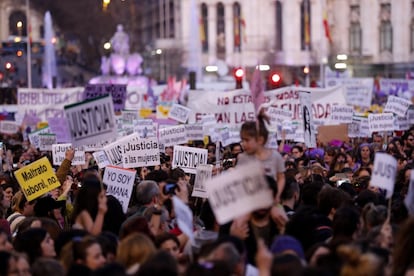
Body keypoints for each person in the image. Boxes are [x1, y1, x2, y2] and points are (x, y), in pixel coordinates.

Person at [237, 110, 286, 203]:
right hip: (251, 203)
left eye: (247, 140)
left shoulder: (275, 157)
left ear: (260, 140)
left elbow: (281, 177)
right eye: (242, 140)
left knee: (281, 217)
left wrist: (277, 195)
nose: (243, 144)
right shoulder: (243, 158)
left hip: (271, 202)